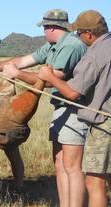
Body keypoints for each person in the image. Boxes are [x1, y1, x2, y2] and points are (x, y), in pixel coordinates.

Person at [0, 9, 88, 206]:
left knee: (72, 167)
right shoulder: (52, 45)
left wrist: (18, 75)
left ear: (51, 27)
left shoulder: (71, 46)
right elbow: (22, 61)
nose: (44, 31)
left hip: (74, 110)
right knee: (60, 163)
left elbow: (53, 80)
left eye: (45, 27)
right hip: (60, 108)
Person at [39, 10, 110, 207]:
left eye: (78, 33)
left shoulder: (96, 54)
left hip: (104, 124)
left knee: (95, 182)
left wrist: (50, 77)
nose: (77, 37)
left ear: (89, 34)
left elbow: (73, 94)